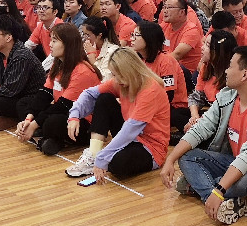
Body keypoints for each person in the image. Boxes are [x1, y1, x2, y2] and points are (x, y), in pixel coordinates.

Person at [163, 46, 247, 224]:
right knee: (187, 157)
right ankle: (221, 198)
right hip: (233, 162)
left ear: (244, 75)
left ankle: (204, 188)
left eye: (230, 66)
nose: (226, 71)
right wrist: (170, 159)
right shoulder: (227, 96)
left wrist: (219, 189)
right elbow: (200, 129)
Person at [65, 48, 171, 181]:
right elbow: (89, 93)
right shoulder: (121, 82)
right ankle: (93, 153)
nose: (115, 79)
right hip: (130, 136)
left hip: (150, 147)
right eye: (113, 74)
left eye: (117, 75)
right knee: (104, 99)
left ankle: (102, 156)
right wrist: (74, 116)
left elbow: (131, 129)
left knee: (117, 164)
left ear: (129, 71)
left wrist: (103, 157)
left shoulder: (150, 90)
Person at [15, 23, 101, 155]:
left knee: (53, 122)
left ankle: (47, 135)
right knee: (24, 103)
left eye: (54, 41)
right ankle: (49, 137)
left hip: (83, 122)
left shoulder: (82, 71)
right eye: (51, 40)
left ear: (68, 44)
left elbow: (63, 106)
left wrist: (34, 124)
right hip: (62, 111)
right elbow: (45, 94)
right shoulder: (58, 64)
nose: (50, 44)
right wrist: (28, 119)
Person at [132, 21, 189, 135]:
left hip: (172, 107)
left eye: (136, 35)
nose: (132, 39)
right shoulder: (138, 60)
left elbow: (169, 95)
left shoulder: (166, 61)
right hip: (148, 103)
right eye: (132, 35)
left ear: (148, 38)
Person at [189, 29, 238, 128]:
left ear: (218, 51)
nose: (202, 48)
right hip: (208, 113)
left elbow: (227, 111)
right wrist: (194, 117)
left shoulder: (233, 75)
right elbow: (196, 97)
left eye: (207, 45)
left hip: (225, 119)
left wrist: (201, 122)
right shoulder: (206, 67)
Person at [160, 0, 203, 73]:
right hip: (169, 66)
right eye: (165, 7)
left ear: (182, 12)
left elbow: (177, 55)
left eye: (169, 7)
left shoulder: (191, 30)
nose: (165, 11)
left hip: (186, 73)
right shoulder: (166, 24)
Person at [80, 16, 120, 81]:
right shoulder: (85, 48)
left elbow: (106, 79)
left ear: (99, 35)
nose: (84, 38)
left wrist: (93, 60)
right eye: (83, 34)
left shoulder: (112, 51)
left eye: (87, 35)